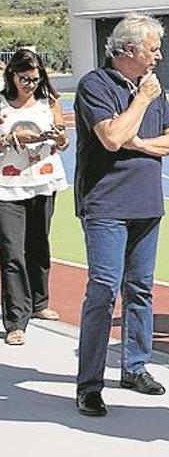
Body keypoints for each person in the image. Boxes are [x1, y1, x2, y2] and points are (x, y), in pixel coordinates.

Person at [73, 13, 169, 416]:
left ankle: (135, 366)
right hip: (105, 205)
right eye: (153, 49)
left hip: (146, 205)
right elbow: (111, 136)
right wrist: (140, 101)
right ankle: (89, 383)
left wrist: (139, 144)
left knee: (141, 289)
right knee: (103, 290)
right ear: (129, 50)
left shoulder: (154, 88)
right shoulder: (94, 85)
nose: (158, 56)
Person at [0, 49, 70, 346]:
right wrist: (12, 138)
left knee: (39, 246)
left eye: (35, 78)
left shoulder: (50, 102)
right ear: (12, 76)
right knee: (12, 252)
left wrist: (59, 137)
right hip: (7, 186)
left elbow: (63, 137)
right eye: (24, 79)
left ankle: (39, 302)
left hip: (43, 182)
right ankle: (16, 319)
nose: (30, 84)